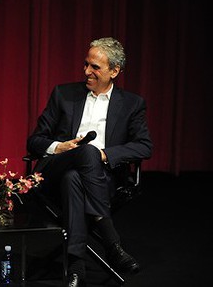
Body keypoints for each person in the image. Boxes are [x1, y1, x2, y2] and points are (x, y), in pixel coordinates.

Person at [26, 37, 153, 287]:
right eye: (86, 64)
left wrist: (105, 155)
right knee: (85, 153)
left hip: (99, 176)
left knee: (77, 174)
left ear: (114, 71)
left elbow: (144, 145)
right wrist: (58, 146)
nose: (86, 71)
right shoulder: (64, 94)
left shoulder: (132, 104)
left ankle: (75, 265)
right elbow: (35, 141)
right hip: (56, 167)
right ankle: (111, 240)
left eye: (95, 67)